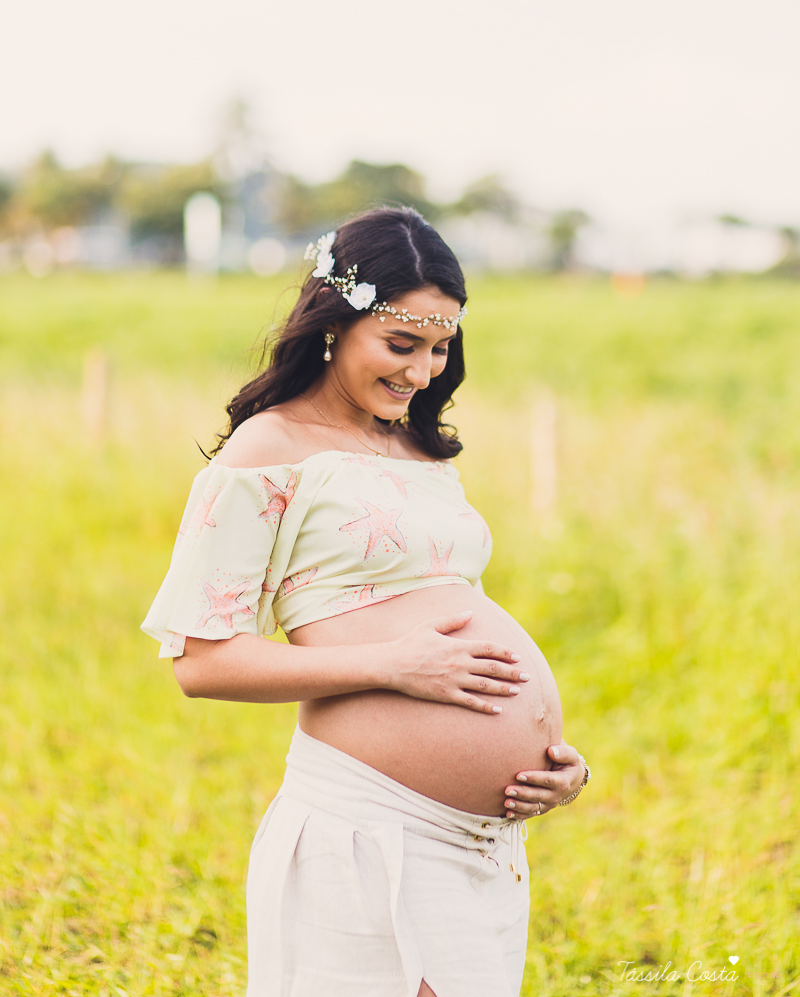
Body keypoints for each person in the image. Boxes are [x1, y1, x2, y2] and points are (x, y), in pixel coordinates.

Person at [141, 206, 590, 997]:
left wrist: (559, 766)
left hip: (481, 845)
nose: (421, 372)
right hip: (367, 826)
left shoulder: (417, 447)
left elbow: (453, 610)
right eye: (401, 344)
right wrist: (392, 667)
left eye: (441, 347)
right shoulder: (266, 451)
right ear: (334, 323)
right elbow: (202, 663)